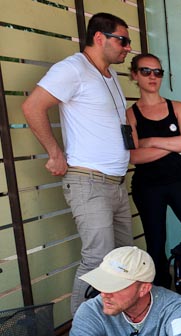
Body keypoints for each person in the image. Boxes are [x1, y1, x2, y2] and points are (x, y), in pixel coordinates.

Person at [22, 12, 135, 315]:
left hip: (116, 184)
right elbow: (32, 106)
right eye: (123, 41)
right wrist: (54, 152)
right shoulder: (73, 69)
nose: (127, 48)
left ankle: (120, 329)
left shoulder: (108, 75)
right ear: (100, 38)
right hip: (89, 183)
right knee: (97, 259)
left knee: (125, 259)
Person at [126, 53, 181, 289]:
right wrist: (174, 145)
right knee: (155, 245)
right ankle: (162, 298)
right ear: (134, 75)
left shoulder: (177, 108)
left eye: (158, 72)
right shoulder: (130, 114)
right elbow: (134, 156)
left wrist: (151, 141)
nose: (152, 77)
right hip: (147, 187)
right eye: (145, 71)